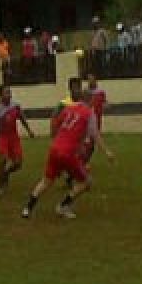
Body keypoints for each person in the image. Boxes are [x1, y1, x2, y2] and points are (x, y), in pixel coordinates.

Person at [22, 86, 114, 220]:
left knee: (46, 181)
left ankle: (28, 208)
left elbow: (58, 124)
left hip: (54, 148)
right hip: (68, 153)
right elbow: (95, 135)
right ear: (90, 100)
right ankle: (63, 206)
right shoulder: (89, 113)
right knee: (86, 182)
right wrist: (107, 152)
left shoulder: (69, 109)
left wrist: (61, 138)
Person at [0, 84, 35, 195]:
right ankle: (0, 186)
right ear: (0, 95)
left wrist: (29, 131)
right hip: (2, 137)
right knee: (2, 161)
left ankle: (6, 173)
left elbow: (22, 118)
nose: (9, 95)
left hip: (14, 137)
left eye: (10, 92)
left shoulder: (15, 106)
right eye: (6, 92)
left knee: (18, 163)